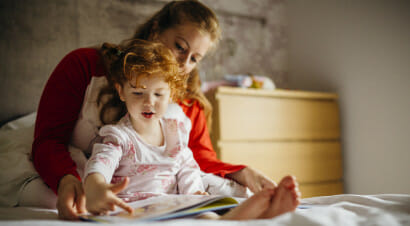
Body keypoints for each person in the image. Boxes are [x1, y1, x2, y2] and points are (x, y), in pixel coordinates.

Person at [30, 0, 276, 220]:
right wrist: (66, 180)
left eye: (194, 58)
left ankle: (241, 212)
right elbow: (49, 139)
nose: (183, 64)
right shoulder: (84, 66)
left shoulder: (187, 104)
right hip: (85, 171)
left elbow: (196, 158)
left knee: (208, 184)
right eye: (180, 47)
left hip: (157, 182)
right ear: (156, 29)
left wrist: (242, 173)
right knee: (51, 196)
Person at [84, 40, 208, 215]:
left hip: (171, 207)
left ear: (171, 94)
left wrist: (194, 193)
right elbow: (101, 162)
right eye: (137, 93)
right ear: (121, 92)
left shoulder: (175, 131)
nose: (149, 102)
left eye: (158, 94)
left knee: (206, 215)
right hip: (132, 210)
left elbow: (187, 167)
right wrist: (96, 186)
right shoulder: (120, 136)